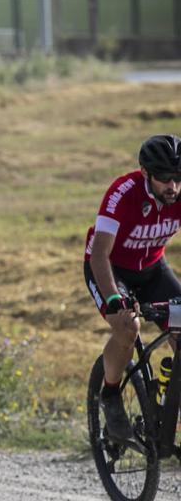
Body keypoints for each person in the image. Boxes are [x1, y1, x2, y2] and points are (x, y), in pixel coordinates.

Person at [85, 134, 181, 442]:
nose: (173, 187)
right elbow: (100, 254)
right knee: (128, 326)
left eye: (178, 178)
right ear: (146, 173)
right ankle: (111, 395)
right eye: (165, 178)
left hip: (152, 270)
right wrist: (114, 299)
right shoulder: (122, 193)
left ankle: (165, 406)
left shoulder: (179, 193)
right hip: (110, 268)